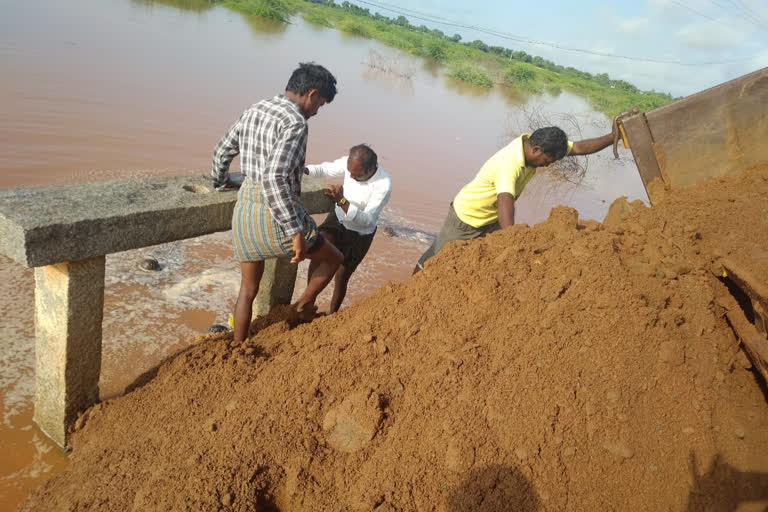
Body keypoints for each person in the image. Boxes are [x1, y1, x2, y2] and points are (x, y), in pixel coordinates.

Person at [211, 62, 343, 343]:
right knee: (334, 258)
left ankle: (238, 346)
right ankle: (301, 308)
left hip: (246, 206)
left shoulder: (256, 108)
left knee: (247, 290)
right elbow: (274, 178)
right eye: (320, 103)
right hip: (276, 213)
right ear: (311, 93)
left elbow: (222, 151)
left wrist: (221, 182)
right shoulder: (296, 123)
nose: (317, 111)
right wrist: (295, 230)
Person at [414, 125, 617, 273]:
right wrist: (513, 240)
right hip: (467, 218)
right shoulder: (508, 163)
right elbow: (506, 200)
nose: (547, 166)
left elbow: (580, 148)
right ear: (536, 150)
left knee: (476, 263)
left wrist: (613, 136)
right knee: (436, 261)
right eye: (547, 161)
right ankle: (410, 288)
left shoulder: (534, 147)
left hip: (492, 218)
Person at [303, 144, 392, 312]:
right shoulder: (351, 164)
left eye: (356, 175)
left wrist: (342, 201)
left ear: (371, 169)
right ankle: (308, 302)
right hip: (338, 219)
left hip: (360, 234)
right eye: (349, 171)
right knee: (319, 248)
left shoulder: (383, 185)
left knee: (342, 276)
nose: (350, 176)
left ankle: (333, 315)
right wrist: (304, 170)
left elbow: (366, 220)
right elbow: (326, 169)